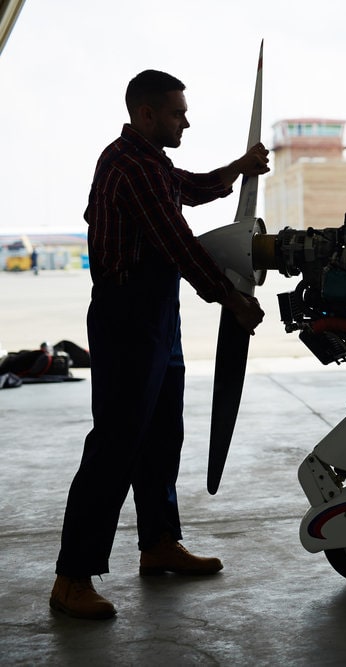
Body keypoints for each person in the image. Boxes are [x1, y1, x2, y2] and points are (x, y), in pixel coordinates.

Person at [50, 69, 268, 620]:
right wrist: (230, 298)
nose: (185, 123)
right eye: (177, 114)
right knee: (116, 444)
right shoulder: (131, 166)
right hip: (127, 318)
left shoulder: (151, 162)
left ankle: (159, 543)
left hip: (157, 315)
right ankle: (72, 577)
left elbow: (188, 188)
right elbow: (178, 242)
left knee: (163, 431)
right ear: (146, 114)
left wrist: (237, 169)